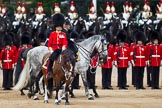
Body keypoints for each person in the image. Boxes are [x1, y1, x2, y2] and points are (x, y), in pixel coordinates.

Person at [47, 13, 68, 78]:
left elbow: (65, 42)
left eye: (60, 26)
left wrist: (63, 48)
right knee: (51, 59)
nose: (59, 28)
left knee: (67, 59)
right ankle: (49, 71)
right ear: (56, 27)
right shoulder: (52, 34)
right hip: (54, 49)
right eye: (58, 27)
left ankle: (68, 71)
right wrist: (51, 50)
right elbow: (49, 44)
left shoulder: (63, 34)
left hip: (61, 49)